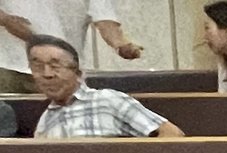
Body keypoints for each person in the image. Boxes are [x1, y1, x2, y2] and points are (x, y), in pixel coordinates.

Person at [27, 34, 180, 137]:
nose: (47, 74)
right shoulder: (44, 123)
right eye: (38, 67)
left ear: (78, 72)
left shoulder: (108, 100)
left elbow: (172, 134)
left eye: (55, 66)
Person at [0, 0, 143, 95]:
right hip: (10, 67)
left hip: (64, 70)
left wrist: (121, 45)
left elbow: (105, 20)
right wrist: (8, 21)